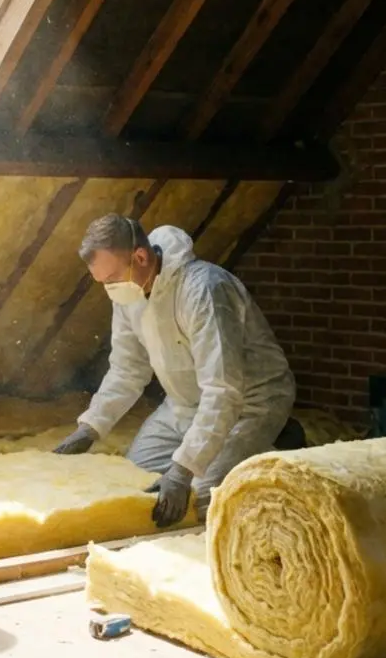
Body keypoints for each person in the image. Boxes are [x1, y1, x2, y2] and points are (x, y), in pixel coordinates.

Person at [52, 214, 299, 528]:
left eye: (112, 278)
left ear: (140, 257)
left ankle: (275, 442)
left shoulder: (204, 290)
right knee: (136, 484)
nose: (109, 289)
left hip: (249, 404)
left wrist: (183, 472)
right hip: (182, 407)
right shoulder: (128, 293)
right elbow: (128, 368)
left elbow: (223, 390)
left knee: (202, 497)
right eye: (103, 283)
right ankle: (245, 452)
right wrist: (90, 428)